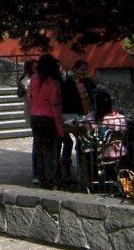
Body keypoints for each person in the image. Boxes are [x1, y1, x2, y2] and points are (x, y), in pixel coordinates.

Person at [27, 54, 64, 189]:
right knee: (51, 151)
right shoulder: (53, 82)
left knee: (40, 150)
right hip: (48, 119)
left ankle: (42, 179)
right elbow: (55, 106)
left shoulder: (33, 79)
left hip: (35, 117)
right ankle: (52, 180)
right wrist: (60, 128)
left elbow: (30, 99)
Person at [78, 91, 127, 188]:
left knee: (81, 147)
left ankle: (89, 179)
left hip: (99, 152)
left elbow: (86, 130)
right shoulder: (120, 118)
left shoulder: (91, 117)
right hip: (118, 152)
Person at [59, 59, 94, 181]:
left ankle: (83, 171)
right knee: (69, 143)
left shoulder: (88, 82)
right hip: (70, 115)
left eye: (85, 70)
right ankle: (67, 169)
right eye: (82, 69)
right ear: (75, 69)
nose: (84, 72)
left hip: (85, 115)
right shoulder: (67, 82)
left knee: (82, 143)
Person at [16, 59, 38, 183]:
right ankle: (36, 172)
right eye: (35, 68)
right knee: (37, 143)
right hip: (33, 114)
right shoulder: (27, 82)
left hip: (35, 113)